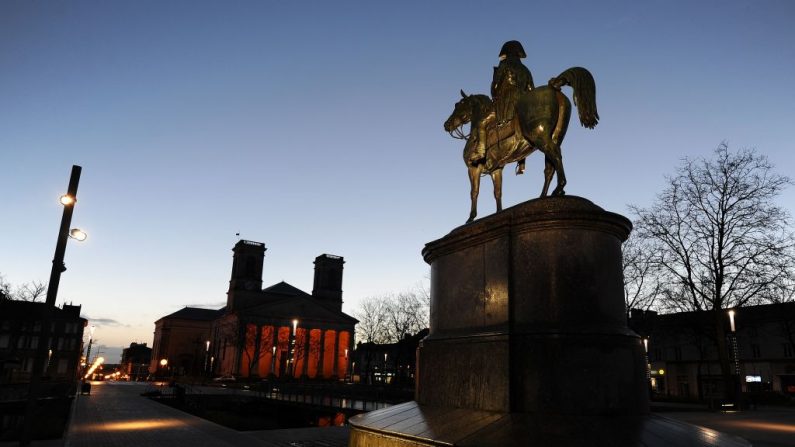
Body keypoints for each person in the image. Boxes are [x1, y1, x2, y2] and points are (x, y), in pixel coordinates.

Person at [472, 40, 534, 173]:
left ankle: (481, 152)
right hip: (523, 102)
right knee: (525, 128)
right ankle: (522, 163)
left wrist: (495, 91)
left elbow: (495, 87)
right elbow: (531, 90)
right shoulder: (525, 70)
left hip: (507, 100)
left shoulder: (504, 64)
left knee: (482, 123)